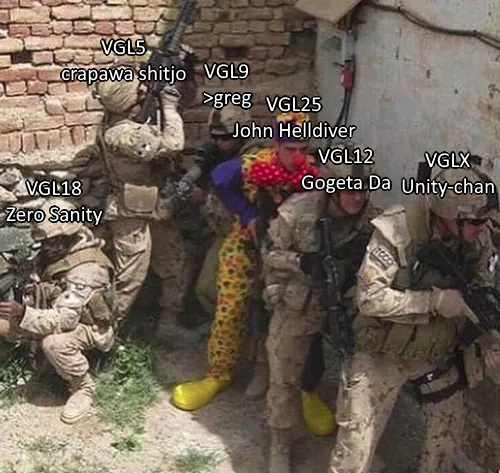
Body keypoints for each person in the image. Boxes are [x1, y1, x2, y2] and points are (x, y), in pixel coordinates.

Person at [330, 167, 500, 473]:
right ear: (448, 215)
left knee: (447, 436)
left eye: (485, 220)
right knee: (355, 447)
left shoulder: (477, 238)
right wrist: (432, 302)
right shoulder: (396, 230)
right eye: (476, 221)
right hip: (383, 348)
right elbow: (369, 298)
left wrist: (488, 338)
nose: (483, 227)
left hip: (434, 350)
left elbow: (481, 291)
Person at [170, 112, 320, 411]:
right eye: (291, 148)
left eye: (303, 148)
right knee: (230, 307)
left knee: (294, 312)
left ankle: (301, 386)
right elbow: (219, 179)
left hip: (290, 250)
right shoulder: (256, 163)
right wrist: (247, 213)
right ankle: (219, 374)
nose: (297, 156)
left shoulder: (312, 171)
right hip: (248, 242)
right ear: (276, 146)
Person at [261, 147, 381, 473]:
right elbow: (269, 253)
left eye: (363, 190)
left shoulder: (371, 219)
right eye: (349, 190)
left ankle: (354, 444)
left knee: (358, 375)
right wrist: (301, 261)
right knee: (284, 372)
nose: (358, 197)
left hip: (345, 302)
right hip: (300, 300)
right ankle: (280, 441)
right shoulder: (297, 211)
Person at [0, 199, 116, 424]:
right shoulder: (60, 252)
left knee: (54, 344)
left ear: (67, 235)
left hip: (88, 327)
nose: (45, 247)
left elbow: (64, 321)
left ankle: (82, 387)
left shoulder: (87, 270)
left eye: (50, 241)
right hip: (57, 312)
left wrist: (23, 314)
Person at [93, 67, 185, 320]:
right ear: (125, 102)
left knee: (174, 260)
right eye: (138, 94)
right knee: (130, 278)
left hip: (151, 205)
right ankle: (106, 330)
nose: (143, 94)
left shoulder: (122, 124)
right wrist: (169, 110)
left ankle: (170, 321)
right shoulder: (122, 134)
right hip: (129, 213)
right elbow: (173, 145)